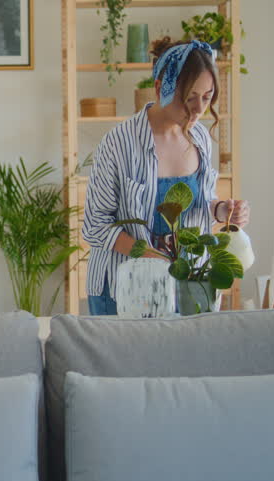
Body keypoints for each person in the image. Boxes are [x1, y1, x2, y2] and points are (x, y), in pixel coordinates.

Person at [81, 37, 251, 315]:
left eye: (207, 98)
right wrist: (151, 255)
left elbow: (201, 206)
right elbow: (96, 226)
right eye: (189, 98)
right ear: (161, 89)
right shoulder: (119, 143)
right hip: (122, 291)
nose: (199, 110)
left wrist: (222, 211)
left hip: (187, 287)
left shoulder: (200, 140)